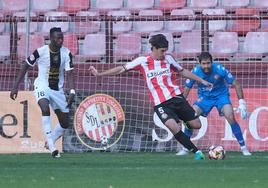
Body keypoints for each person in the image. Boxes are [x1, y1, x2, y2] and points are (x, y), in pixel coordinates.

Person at [89, 34, 213, 160]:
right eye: (162, 51)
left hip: (177, 97)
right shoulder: (143, 61)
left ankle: (186, 122)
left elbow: (182, 71)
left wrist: (202, 81)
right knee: (174, 128)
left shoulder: (169, 58)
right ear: (153, 48)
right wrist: (100, 74)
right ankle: (197, 152)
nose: (164, 53)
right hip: (161, 104)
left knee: (197, 125)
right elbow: (121, 69)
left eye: (165, 51)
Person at [10, 27, 75, 158]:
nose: (60, 40)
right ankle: (52, 147)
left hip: (57, 90)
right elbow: (26, 66)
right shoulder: (40, 52)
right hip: (42, 86)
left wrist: (72, 91)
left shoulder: (66, 53)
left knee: (65, 123)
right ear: (51, 38)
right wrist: (15, 86)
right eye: (57, 37)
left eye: (61, 37)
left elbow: (69, 74)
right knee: (44, 107)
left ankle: (49, 142)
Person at [176, 52, 251, 156]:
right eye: (204, 64)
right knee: (190, 118)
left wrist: (242, 103)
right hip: (204, 98)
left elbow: (236, 84)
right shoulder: (195, 71)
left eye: (208, 63)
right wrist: (181, 107)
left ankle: (244, 148)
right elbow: (186, 90)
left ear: (212, 62)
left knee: (230, 116)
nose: (206, 66)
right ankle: (185, 148)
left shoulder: (220, 69)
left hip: (221, 96)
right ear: (199, 63)